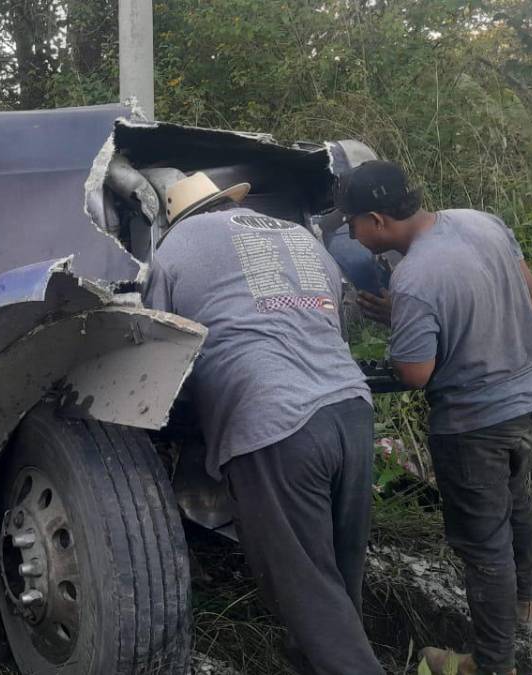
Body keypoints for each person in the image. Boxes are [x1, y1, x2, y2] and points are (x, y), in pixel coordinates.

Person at [145, 171, 382, 675]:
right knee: (340, 571)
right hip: (351, 406)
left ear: (179, 216)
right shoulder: (300, 237)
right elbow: (335, 324)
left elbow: (158, 353)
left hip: (272, 420)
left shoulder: (176, 245)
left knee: (302, 585)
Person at [337, 160, 532, 675]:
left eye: (352, 224)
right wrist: (412, 318)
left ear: (377, 220)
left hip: (475, 422)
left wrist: (404, 329)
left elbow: (415, 373)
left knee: (483, 546)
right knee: (516, 500)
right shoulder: (479, 220)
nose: (351, 234)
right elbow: (531, 301)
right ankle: (524, 605)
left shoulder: (414, 277)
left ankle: (491, 663)